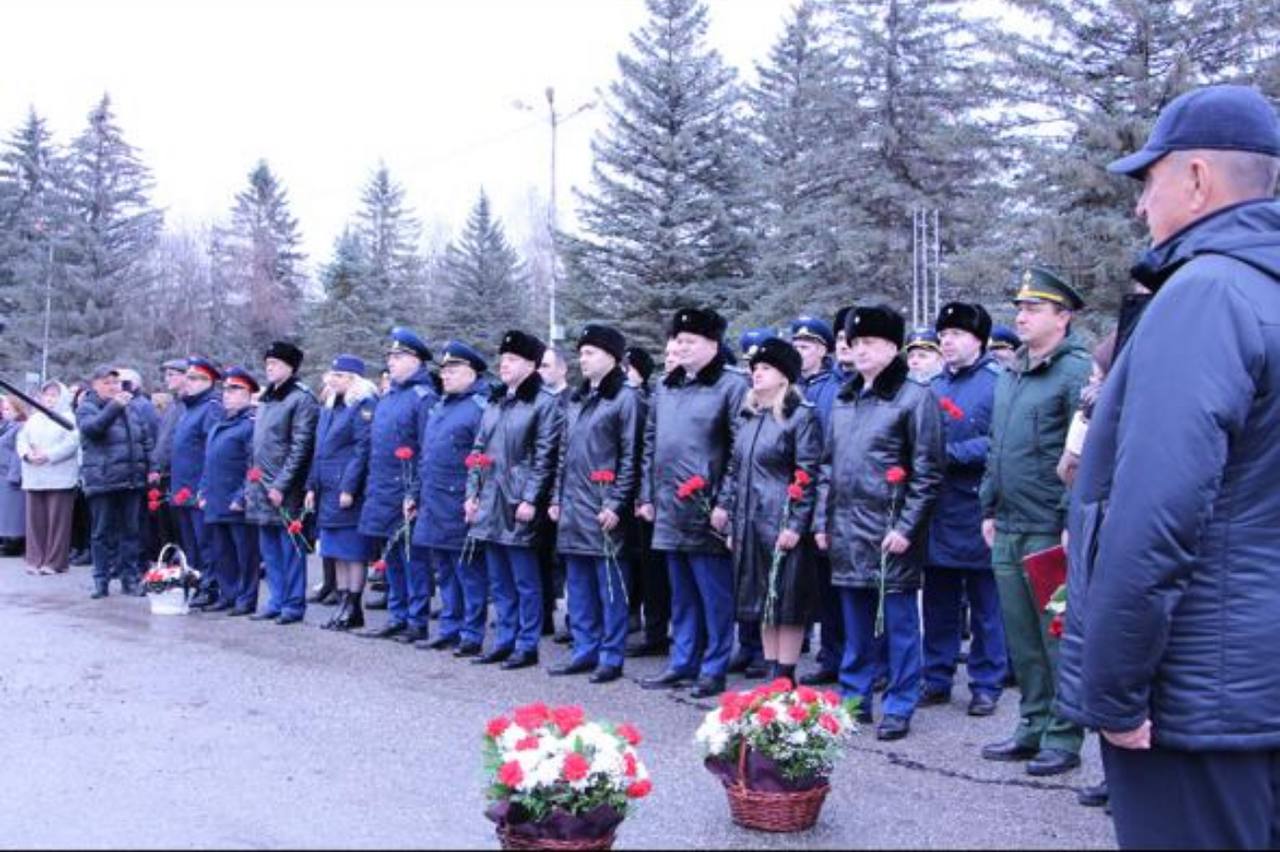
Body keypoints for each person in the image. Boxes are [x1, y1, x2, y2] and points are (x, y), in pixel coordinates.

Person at [1058, 84, 1280, 848]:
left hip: (1197, 698)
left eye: (1147, 181)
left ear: (1195, 178)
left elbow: (1153, 516)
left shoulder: (1206, 295)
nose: (1139, 205)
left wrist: (1113, 694)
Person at [978, 266, 1091, 776]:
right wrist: (988, 506)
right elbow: (996, 448)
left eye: (1034, 308)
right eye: (1019, 307)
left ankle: (1064, 735)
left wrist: (1072, 519)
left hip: (1050, 525)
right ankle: (1032, 724)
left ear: (1063, 317)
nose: (1021, 316)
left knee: (1057, 635)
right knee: (1021, 635)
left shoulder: (1075, 372)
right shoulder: (1012, 372)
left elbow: (1085, 454)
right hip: (1009, 523)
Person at [815, 305, 944, 741]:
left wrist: (906, 528)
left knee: (899, 626)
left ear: (893, 347)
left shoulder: (913, 397)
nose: (860, 350)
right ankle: (855, 699)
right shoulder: (844, 397)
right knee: (855, 625)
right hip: (847, 530)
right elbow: (827, 467)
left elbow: (927, 473)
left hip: (890, 532)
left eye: (870, 342)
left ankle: (900, 702)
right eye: (855, 343)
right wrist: (822, 519)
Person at [638, 307, 748, 699]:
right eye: (677, 341)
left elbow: (740, 448)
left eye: (690, 341)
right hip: (669, 505)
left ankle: (714, 665)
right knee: (681, 592)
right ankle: (682, 661)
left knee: (713, 593)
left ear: (713, 344)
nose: (681, 347)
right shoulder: (666, 385)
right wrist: (646, 494)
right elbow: (651, 443)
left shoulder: (733, 386)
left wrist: (725, 502)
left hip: (706, 507)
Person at [921, 302, 1008, 716]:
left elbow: (1001, 442)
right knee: (938, 602)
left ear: (979, 340)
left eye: (956, 334)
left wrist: (947, 454)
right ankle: (936, 677)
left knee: (986, 605)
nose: (947, 341)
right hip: (937, 511)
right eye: (943, 335)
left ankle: (987, 682)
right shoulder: (934, 386)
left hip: (977, 507)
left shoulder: (999, 383)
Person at [723, 338, 822, 685]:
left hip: (781, 521)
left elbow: (808, 473)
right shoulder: (749, 417)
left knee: (787, 602)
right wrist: (731, 521)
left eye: (765, 368)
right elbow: (735, 472)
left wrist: (796, 524)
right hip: (749, 522)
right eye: (754, 368)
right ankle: (770, 670)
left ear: (784, 376)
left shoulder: (800, 416)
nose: (757, 374)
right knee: (761, 599)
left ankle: (786, 674)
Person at [548, 324, 640, 684]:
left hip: (603, 506)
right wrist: (556, 496)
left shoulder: (625, 398)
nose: (582, 359)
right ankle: (584, 649)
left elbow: (631, 455)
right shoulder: (577, 399)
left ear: (611, 357)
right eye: (581, 352)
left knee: (610, 585)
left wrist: (617, 503)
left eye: (589, 353)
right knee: (579, 586)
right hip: (573, 505)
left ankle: (610, 654)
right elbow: (563, 454)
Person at [466, 329, 563, 670]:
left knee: (525, 579)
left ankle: (527, 643)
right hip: (490, 499)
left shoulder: (545, 402)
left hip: (517, 501)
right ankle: (504, 640)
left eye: (512, 360)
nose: (503, 365)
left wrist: (531, 499)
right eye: (502, 359)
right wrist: (472, 493)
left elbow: (545, 456)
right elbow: (479, 450)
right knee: (500, 579)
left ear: (531, 364)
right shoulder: (495, 400)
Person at [358, 329, 438, 642]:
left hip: (405, 490)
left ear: (416, 361)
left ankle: (416, 620)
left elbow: (426, 450)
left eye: (398, 356)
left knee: (412, 558)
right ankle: (397, 614)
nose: (391, 361)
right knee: (391, 556)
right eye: (390, 356)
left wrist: (414, 492)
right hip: (381, 488)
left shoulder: (423, 397)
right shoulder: (389, 396)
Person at [413, 341, 490, 654]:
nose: (445, 375)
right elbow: (426, 456)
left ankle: (471, 633)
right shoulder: (441, 406)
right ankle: (449, 626)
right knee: (444, 570)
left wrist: (475, 498)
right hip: (433, 501)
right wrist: (415, 495)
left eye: (453, 370)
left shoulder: (479, 408)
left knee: (468, 572)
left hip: (460, 502)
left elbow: (483, 459)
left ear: (471, 373)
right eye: (443, 370)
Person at [245, 341, 319, 625]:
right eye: (267, 364)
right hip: (260, 484)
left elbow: (301, 447)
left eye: (275, 364)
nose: (269, 368)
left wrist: (281, 484)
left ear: (290, 366)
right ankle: (275, 599)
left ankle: (293, 603)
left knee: (290, 547)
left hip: (285, 488)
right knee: (269, 549)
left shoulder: (301, 399)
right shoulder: (266, 398)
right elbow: (258, 444)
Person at [789, 316, 843, 686]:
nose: (799, 351)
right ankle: (829, 656)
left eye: (806, 346)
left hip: (826, 489)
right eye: (796, 344)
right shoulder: (788, 386)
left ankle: (844, 655)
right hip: (795, 489)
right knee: (814, 586)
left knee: (835, 583)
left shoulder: (835, 386)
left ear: (823, 350)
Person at [306, 356, 377, 631]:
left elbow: (362, 451)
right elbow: (319, 451)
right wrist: (311, 486)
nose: (331, 380)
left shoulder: (362, 406)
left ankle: (354, 605)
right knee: (335, 550)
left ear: (353, 379)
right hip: (326, 489)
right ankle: (343, 604)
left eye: (339, 375)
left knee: (351, 550)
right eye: (331, 375)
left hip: (346, 491)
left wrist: (349, 487)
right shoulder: (331, 407)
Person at [76, 364, 154, 598]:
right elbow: (93, 429)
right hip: (101, 481)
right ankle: (101, 580)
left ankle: (130, 579)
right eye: (106, 383)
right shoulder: (87, 408)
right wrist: (114, 407)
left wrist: (151, 467)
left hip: (130, 480)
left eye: (115, 383)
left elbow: (145, 439)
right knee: (101, 533)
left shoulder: (131, 409)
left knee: (131, 532)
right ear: (95, 385)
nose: (112, 387)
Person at [621, 345, 670, 659]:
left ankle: (663, 631)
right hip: (644, 494)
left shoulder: (643, 401)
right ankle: (650, 627)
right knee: (647, 569)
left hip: (669, 495)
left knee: (663, 572)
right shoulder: (653, 397)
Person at [200, 367, 261, 616]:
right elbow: (209, 462)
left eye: (235, 390)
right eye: (226, 389)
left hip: (236, 502)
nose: (228, 394)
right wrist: (202, 490)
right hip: (215, 499)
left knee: (244, 554)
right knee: (222, 552)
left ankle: (245, 598)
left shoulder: (250, 425)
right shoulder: (219, 425)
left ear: (249, 395)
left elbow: (253, 465)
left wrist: (242, 496)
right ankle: (228, 594)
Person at [168, 358, 224, 609]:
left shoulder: (210, 408)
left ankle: (211, 585)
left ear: (207, 382)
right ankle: (197, 581)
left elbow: (211, 452)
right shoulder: (189, 408)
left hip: (198, 488)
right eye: (187, 377)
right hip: (182, 487)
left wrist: (203, 487)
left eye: (192, 378)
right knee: (190, 543)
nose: (186, 383)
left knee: (205, 542)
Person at [17, 382, 80, 574]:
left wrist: (49, 455)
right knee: (35, 521)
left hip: (59, 476)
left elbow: (71, 443)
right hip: (34, 475)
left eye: (54, 395)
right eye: (47, 395)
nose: (50, 399)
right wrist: (27, 455)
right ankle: (34, 559)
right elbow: (21, 439)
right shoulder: (33, 419)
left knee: (57, 522)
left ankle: (54, 562)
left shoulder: (69, 418)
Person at [537, 346, 571, 639]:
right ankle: (543, 613)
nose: (541, 371)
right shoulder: (537, 400)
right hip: (541, 491)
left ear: (562, 368)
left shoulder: (571, 400)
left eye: (547, 366)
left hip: (562, 491)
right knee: (541, 555)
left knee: (565, 559)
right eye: (539, 366)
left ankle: (573, 619)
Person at [0, 395, 30, 556]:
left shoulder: (20, 427)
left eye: (8, 409)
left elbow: (18, 453)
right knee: (5, 512)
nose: (4, 412)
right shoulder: (6, 426)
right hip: (3, 473)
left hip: (10, 474)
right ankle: (7, 540)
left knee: (13, 513)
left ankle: (14, 542)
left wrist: (14, 475)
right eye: (3, 409)